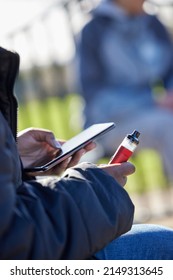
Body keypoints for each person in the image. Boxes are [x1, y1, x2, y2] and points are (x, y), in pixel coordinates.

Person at [1, 46, 173, 260]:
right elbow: (11, 238)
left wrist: (14, 157)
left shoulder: (151, 24)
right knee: (164, 247)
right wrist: (96, 186)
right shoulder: (95, 30)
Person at [77, 0, 173, 185]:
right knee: (168, 126)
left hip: (151, 112)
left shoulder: (152, 23)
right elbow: (95, 98)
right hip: (110, 124)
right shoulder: (93, 30)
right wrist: (153, 101)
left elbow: (169, 70)